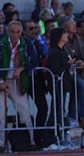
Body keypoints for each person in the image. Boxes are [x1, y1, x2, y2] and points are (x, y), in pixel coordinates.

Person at [0, 19, 36, 152]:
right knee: (0, 113)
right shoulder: (0, 41)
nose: (15, 35)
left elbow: (34, 60)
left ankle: (30, 141)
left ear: (21, 32)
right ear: (7, 31)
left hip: (17, 80)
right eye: (12, 32)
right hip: (1, 79)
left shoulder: (26, 42)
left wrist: (21, 68)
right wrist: (0, 81)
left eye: (18, 32)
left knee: (24, 111)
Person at [23, 18, 53, 148]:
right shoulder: (22, 43)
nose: (34, 31)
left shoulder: (38, 42)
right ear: (24, 31)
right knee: (24, 111)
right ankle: (30, 139)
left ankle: (38, 136)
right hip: (25, 78)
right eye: (30, 29)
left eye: (35, 28)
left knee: (43, 108)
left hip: (37, 78)